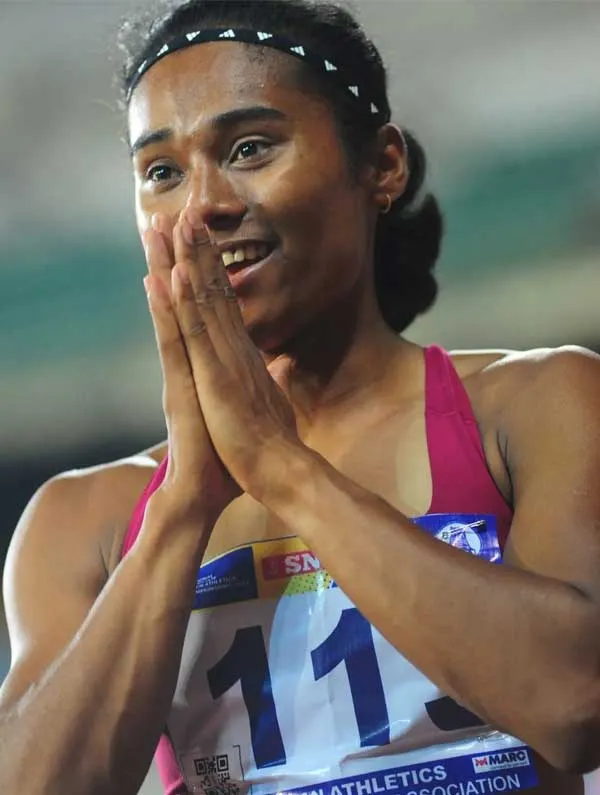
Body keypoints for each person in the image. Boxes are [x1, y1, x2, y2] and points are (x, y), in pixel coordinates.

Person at [1, 1, 600, 794]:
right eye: (162, 172)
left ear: (382, 166)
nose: (202, 205)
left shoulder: (537, 406)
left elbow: (574, 704)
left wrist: (282, 467)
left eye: (250, 148)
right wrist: (181, 508)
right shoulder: (86, 519)